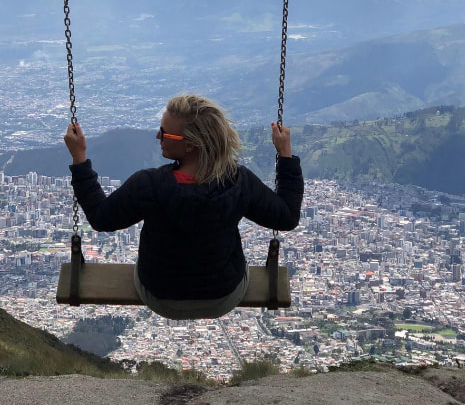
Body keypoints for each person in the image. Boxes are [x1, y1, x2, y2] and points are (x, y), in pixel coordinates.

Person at [64, 94, 304, 320]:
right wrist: (285, 153)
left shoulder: (149, 184)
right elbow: (286, 217)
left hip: (159, 296)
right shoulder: (239, 182)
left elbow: (101, 217)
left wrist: (79, 159)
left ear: (190, 145)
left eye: (165, 133)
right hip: (223, 295)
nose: (158, 136)